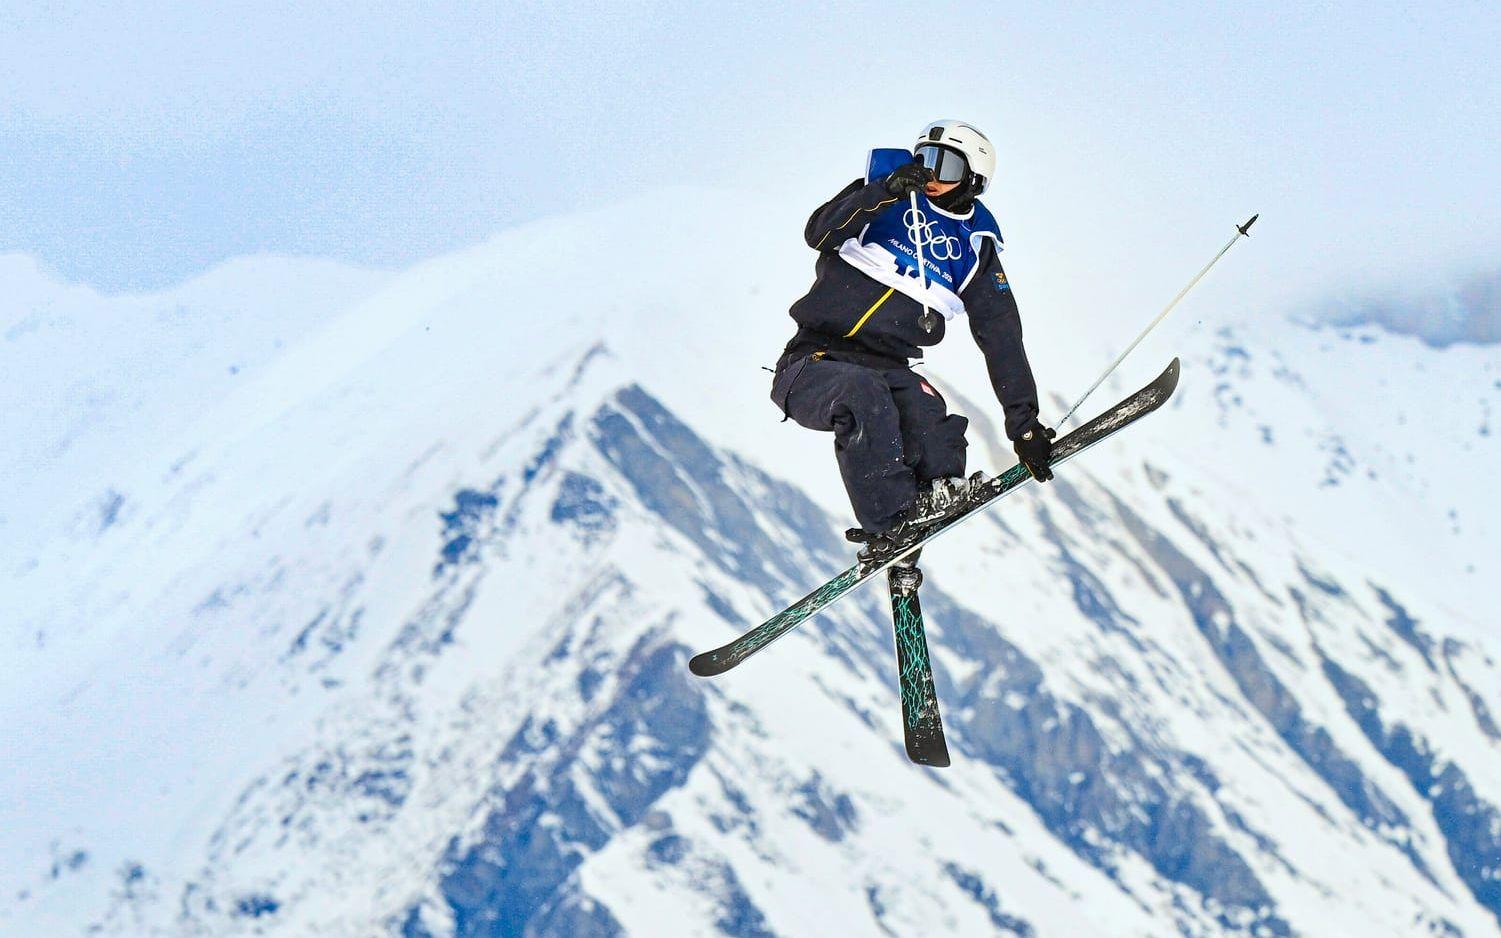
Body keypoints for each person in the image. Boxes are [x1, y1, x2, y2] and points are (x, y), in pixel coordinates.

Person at [770, 119, 1054, 555]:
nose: (931, 175)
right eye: (924, 160)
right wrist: (884, 191)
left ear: (974, 180)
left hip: (889, 369)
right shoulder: (880, 195)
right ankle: (890, 523)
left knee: (931, 424)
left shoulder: (975, 247)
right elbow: (818, 233)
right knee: (861, 394)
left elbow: (1001, 335)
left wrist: (1024, 425)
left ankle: (924, 512)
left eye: (947, 166)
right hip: (813, 363)